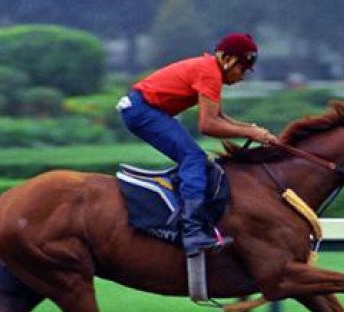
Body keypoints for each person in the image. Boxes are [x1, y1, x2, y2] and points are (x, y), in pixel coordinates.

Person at [117, 32, 277, 257]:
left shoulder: (210, 70)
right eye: (242, 69)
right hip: (142, 111)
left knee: (193, 159)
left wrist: (253, 130)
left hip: (143, 109)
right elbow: (208, 126)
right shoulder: (210, 72)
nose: (242, 77)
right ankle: (192, 232)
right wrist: (251, 132)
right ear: (228, 60)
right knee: (194, 158)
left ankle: (186, 217)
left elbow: (219, 116)